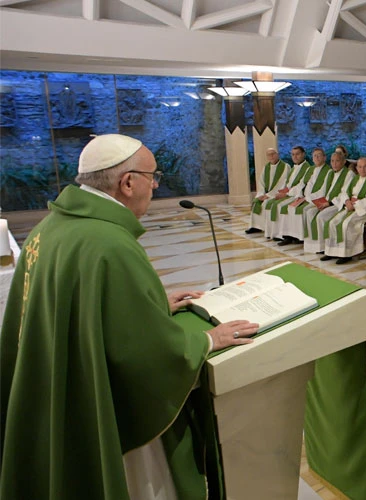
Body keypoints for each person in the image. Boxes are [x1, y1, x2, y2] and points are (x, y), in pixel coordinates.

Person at [0, 134, 258, 499]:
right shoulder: (109, 243)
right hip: (106, 413)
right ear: (127, 182)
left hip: (60, 386)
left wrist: (149, 303)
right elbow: (145, 353)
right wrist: (206, 340)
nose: (155, 184)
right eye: (152, 176)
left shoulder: (50, 229)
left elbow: (79, 308)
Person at [321, 157, 366, 264]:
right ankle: (331, 252)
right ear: (357, 168)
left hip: (364, 211)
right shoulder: (355, 179)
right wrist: (347, 201)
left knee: (345, 223)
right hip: (350, 207)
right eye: (360, 167)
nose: (362, 169)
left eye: (365, 167)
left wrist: (355, 204)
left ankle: (346, 254)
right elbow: (344, 192)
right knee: (332, 222)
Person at [304, 151, 356, 254]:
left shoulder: (349, 174)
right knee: (309, 212)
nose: (334, 164)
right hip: (326, 201)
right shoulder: (330, 173)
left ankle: (327, 247)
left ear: (344, 161)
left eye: (337, 161)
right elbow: (323, 190)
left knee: (321, 217)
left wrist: (329, 203)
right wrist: (314, 200)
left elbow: (344, 193)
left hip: (338, 204)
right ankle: (317, 246)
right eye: (332, 161)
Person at [278, 147, 330, 246]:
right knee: (290, 207)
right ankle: (289, 235)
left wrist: (308, 198)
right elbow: (303, 184)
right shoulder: (311, 169)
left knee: (303, 210)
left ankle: (300, 237)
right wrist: (299, 195)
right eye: (315, 156)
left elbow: (323, 190)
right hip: (305, 197)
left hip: (315, 199)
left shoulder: (328, 171)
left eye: (319, 155)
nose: (317, 158)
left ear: (324, 157)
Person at [264, 146, 311, 239]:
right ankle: (275, 233)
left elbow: (301, 186)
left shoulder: (307, 168)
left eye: (297, 154)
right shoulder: (294, 168)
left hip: (297, 195)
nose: (295, 157)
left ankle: (287, 235)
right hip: (289, 194)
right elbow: (287, 183)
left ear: (303, 154)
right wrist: (280, 192)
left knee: (282, 206)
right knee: (270, 203)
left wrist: (285, 194)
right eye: (293, 154)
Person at [247, 147, 289, 234]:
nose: (271, 156)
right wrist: (261, 194)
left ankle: (267, 227)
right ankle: (255, 226)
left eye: (273, 154)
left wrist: (269, 195)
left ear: (277, 154)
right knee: (256, 202)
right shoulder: (266, 167)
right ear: (267, 157)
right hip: (266, 193)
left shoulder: (285, 167)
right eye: (269, 155)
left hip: (276, 194)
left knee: (266, 203)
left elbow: (282, 183)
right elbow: (261, 182)